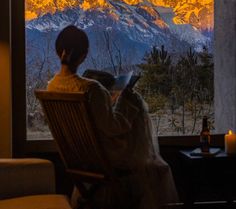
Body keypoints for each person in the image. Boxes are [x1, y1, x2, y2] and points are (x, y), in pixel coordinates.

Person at [47, 25, 178, 209]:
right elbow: (113, 127)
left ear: (57, 51)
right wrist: (127, 100)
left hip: (79, 159)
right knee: (154, 166)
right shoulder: (92, 89)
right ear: (84, 55)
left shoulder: (52, 87)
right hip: (105, 159)